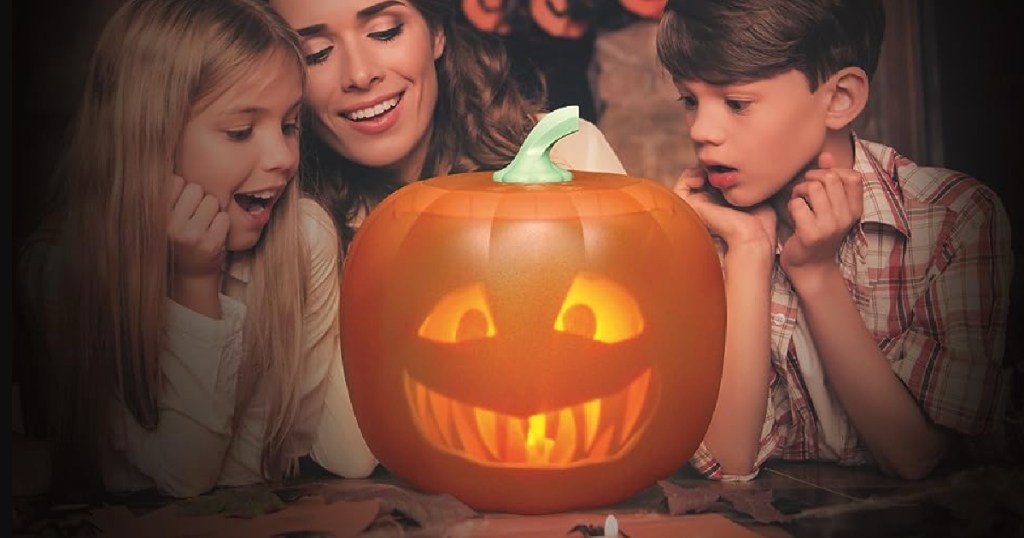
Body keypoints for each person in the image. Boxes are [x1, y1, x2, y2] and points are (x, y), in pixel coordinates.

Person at [16, 0, 375, 500]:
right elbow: (185, 480)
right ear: (152, 139)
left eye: (290, 126)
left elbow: (345, 454)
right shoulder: (59, 269)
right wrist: (195, 286)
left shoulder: (304, 239)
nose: (282, 158)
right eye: (240, 131)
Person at [656, 0, 1014, 481]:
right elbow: (728, 462)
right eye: (689, 100)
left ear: (840, 98)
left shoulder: (953, 218)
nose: (701, 130)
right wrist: (748, 250)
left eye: (736, 103)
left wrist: (816, 273)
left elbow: (917, 455)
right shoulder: (702, 232)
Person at [266, 0, 626, 253]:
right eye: (315, 53)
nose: (359, 74)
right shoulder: (284, 232)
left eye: (384, 32)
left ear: (436, 32)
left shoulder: (567, 153)